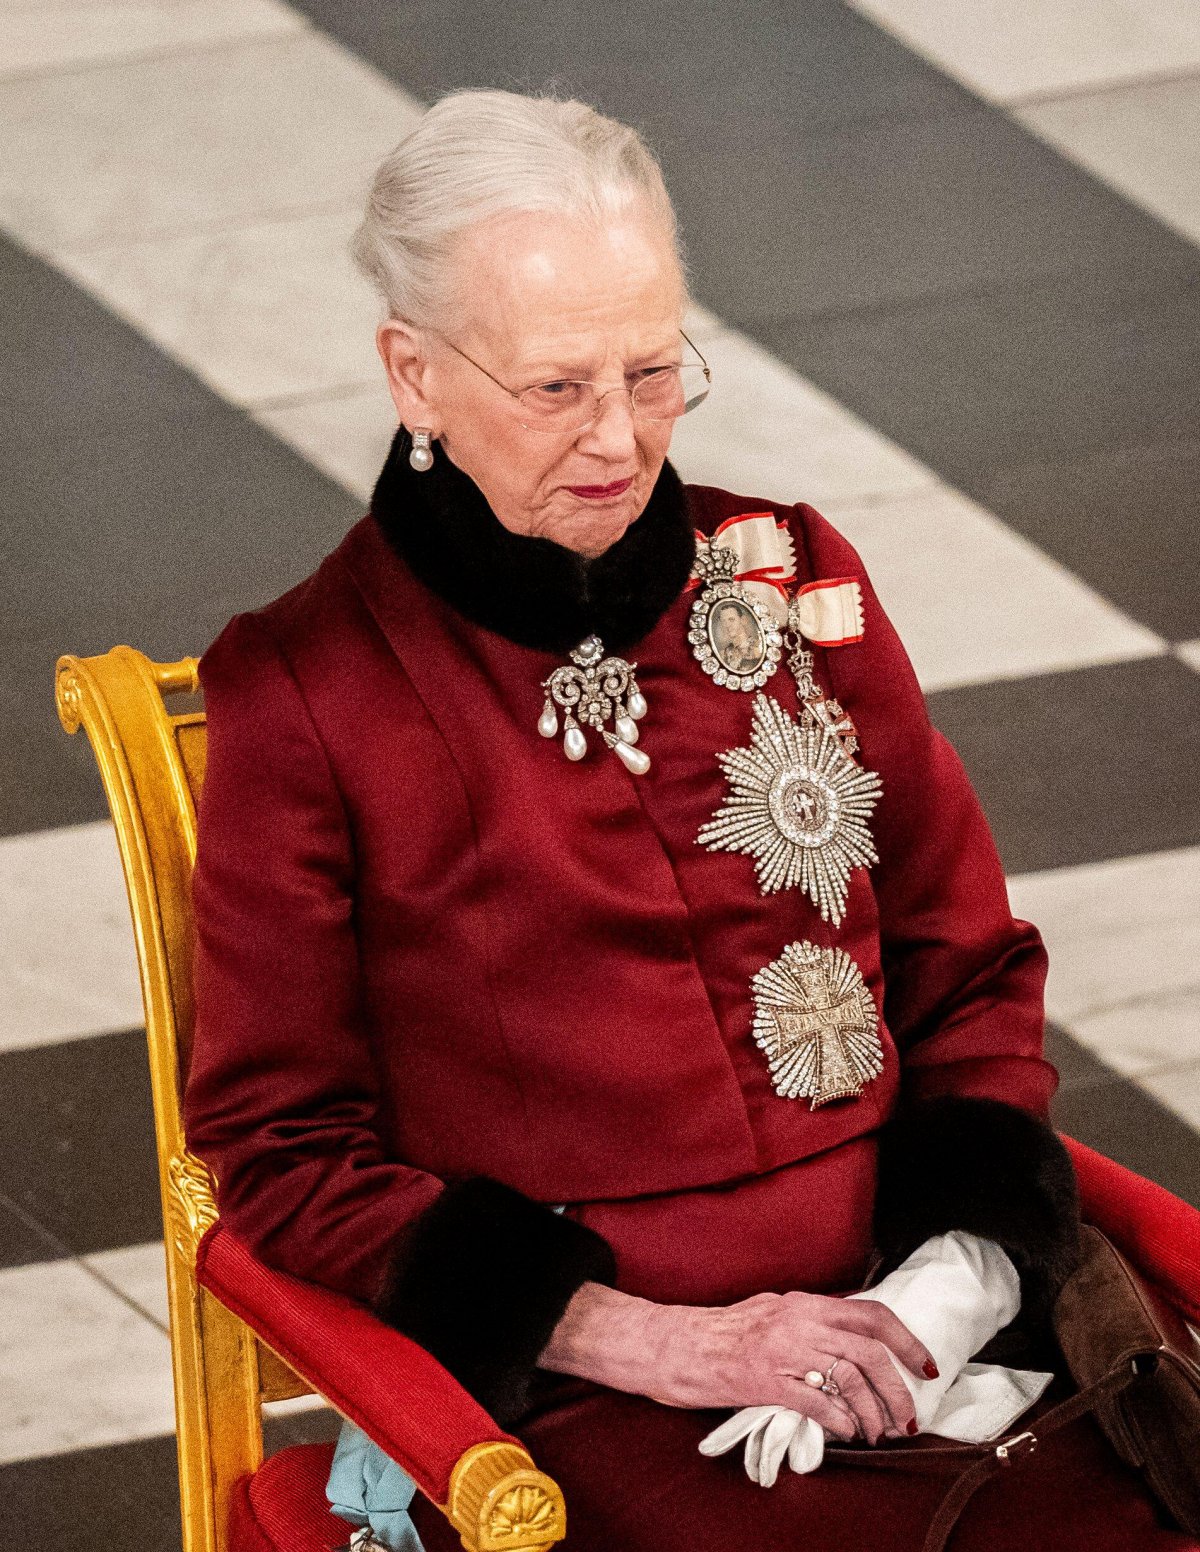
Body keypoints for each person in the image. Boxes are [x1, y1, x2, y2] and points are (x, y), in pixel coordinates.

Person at [182, 89, 1193, 1551]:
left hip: (933, 1327)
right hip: (601, 1398)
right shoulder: (306, 689)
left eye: (656, 372)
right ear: (415, 375)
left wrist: (950, 1283)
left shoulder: (791, 577)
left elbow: (964, 969)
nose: (621, 438)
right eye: (556, 388)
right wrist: (650, 1342)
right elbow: (282, 1149)